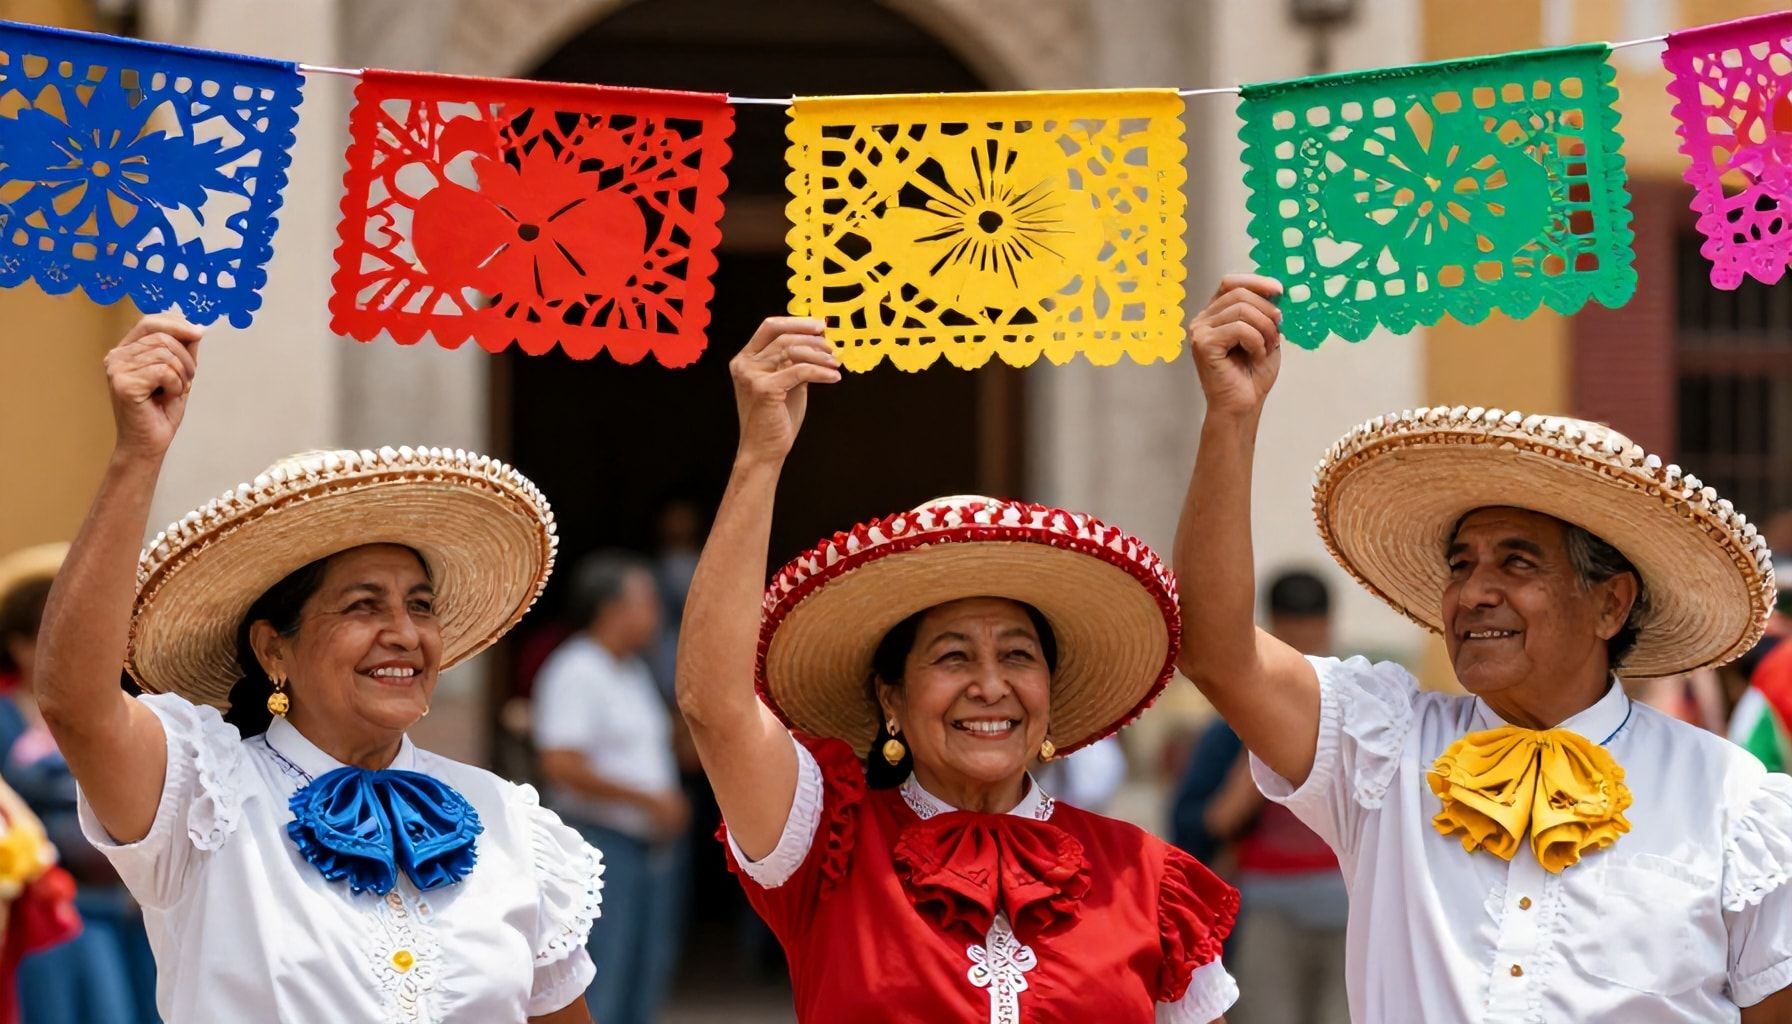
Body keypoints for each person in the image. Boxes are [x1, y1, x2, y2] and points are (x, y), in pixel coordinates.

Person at [1174, 274, 1792, 1022]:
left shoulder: (1731, 801)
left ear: (1610, 602)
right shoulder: (1384, 746)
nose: (1473, 592)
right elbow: (1215, 650)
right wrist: (1229, 418)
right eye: (1461, 564)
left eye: (1518, 563)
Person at [33, 315, 602, 1023]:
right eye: (364, 606)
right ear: (275, 649)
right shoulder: (205, 798)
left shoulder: (509, 823)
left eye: (419, 606)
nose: (403, 634)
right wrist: (137, 457)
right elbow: (77, 708)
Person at [675, 317, 1241, 1022]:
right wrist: (760, 456)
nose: (990, 685)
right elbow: (714, 707)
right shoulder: (824, 849)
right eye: (952, 656)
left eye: (1017, 655)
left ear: (1049, 693)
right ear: (892, 696)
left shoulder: (1145, 876)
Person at [1172, 569, 1347, 1024]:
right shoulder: (1228, 731)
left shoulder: (1360, 716)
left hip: (1350, 910)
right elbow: (1202, 825)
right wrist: (1262, 742)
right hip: (1268, 906)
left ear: (1328, 629)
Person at [0, 545, 155, 1024]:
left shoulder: (127, 712)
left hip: (138, 907)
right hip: (59, 916)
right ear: (23, 644)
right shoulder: (4, 716)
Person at [533, 552, 688, 1024]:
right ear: (610, 608)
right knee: (605, 978)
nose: (656, 615)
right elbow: (560, 763)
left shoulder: (632, 671)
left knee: (646, 973)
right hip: (600, 844)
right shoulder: (577, 668)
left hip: (648, 848)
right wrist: (649, 800)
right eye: (646, 601)